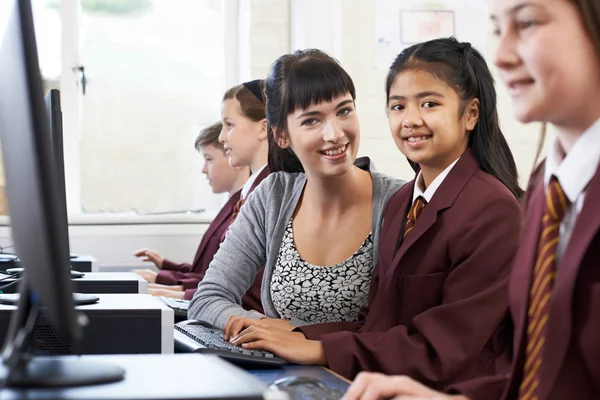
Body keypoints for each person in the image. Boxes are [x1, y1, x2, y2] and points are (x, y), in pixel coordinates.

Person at [339, 0, 600, 399]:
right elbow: (545, 371)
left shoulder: (497, 205)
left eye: (527, 22)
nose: (501, 55)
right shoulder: (549, 187)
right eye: (498, 29)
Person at [229, 38, 523, 390]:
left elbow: (446, 347)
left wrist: (319, 347)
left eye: (429, 103)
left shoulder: (492, 209)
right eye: (398, 107)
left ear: (470, 113)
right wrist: (296, 332)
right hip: (389, 382)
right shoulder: (403, 202)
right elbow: (379, 324)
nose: (411, 120)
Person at [187, 49, 404, 334]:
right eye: (312, 120)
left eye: (344, 111)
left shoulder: (399, 201)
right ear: (281, 135)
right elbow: (207, 297)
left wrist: (294, 335)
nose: (335, 133)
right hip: (279, 373)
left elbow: (396, 329)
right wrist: (263, 326)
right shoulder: (273, 196)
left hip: (359, 375)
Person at [132, 122, 249, 300]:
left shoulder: (243, 209)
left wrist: (160, 280)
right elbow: (205, 273)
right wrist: (166, 266)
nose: (203, 169)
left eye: (209, 159)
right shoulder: (230, 205)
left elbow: (217, 283)